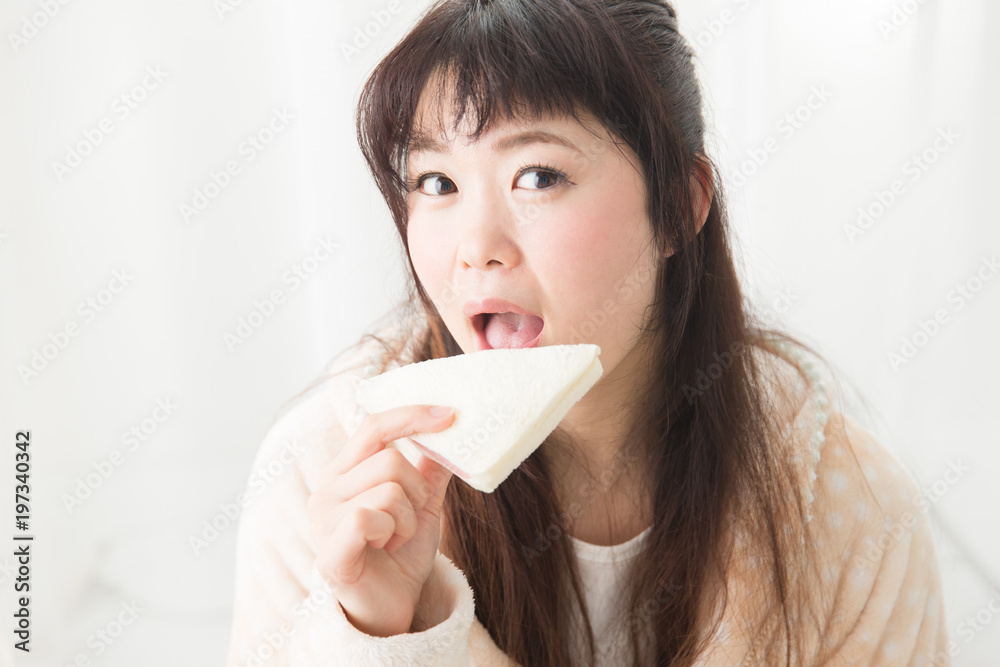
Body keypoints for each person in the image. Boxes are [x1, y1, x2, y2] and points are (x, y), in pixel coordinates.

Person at [226, 0, 950, 664]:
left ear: (679, 207)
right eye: (436, 183)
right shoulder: (325, 481)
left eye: (538, 175)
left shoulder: (851, 511)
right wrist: (379, 631)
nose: (476, 247)